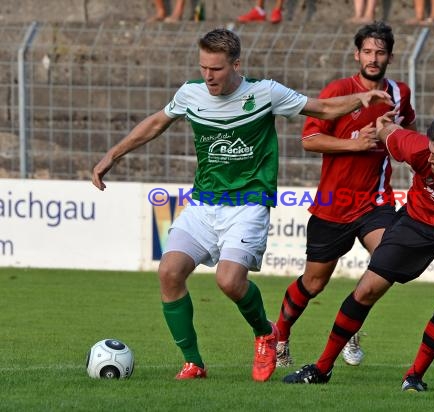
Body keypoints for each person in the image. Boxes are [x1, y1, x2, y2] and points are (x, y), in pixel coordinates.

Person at [92, 28, 392, 382]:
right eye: (203, 67)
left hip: (248, 203)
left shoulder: (264, 93)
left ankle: (266, 333)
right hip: (203, 203)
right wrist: (113, 153)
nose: (208, 76)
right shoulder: (191, 94)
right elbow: (157, 123)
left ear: (236, 64)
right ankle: (193, 363)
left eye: (216, 69)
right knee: (169, 273)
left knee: (229, 281)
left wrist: (361, 99)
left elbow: (323, 108)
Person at [283, 109, 434, 391]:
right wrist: (383, 124)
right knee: (366, 290)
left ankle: (414, 376)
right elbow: (387, 132)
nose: (430, 159)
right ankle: (322, 368)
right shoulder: (419, 148)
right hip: (416, 221)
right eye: (431, 151)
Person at [274, 21, 416, 369]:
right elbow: (309, 140)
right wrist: (355, 143)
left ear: (390, 57)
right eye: (367, 51)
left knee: (387, 260)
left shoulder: (400, 93)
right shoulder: (338, 90)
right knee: (313, 283)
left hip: (375, 202)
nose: (373, 57)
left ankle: (351, 323)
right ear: (357, 55)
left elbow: (407, 129)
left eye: (380, 52)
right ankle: (279, 335)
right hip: (333, 204)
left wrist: (393, 137)